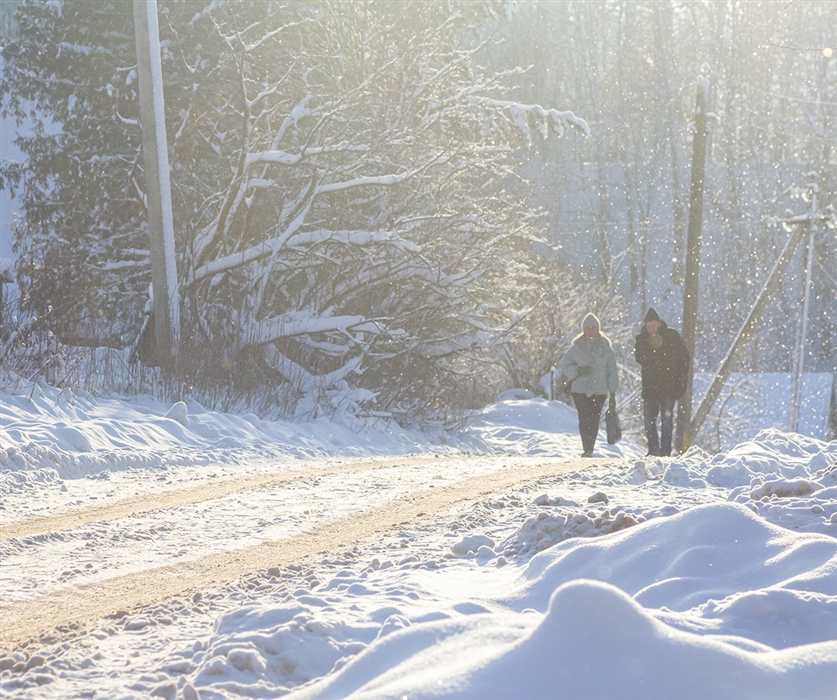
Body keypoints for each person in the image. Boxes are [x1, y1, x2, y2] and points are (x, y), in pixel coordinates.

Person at [560, 313, 619, 457]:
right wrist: (578, 370)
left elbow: (612, 371)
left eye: (593, 327)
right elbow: (565, 365)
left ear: (598, 329)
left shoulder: (606, 348)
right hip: (580, 389)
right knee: (583, 417)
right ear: (584, 329)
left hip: (599, 390)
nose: (591, 330)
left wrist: (612, 392)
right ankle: (586, 447)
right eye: (588, 327)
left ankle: (590, 447)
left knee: (594, 418)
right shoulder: (576, 347)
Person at [634, 307, 691, 457]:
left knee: (667, 421)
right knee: (649, 421)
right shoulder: (642, 339)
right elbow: (639, 358)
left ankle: (665, 451)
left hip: (669, 387)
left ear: (659, 323)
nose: (651, 328)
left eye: (653, 324)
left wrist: (680, 383)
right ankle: (653, 448)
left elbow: (684, 358)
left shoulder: (671, 336)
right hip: (650, 387)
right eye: (648, 325)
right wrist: (651, 353)